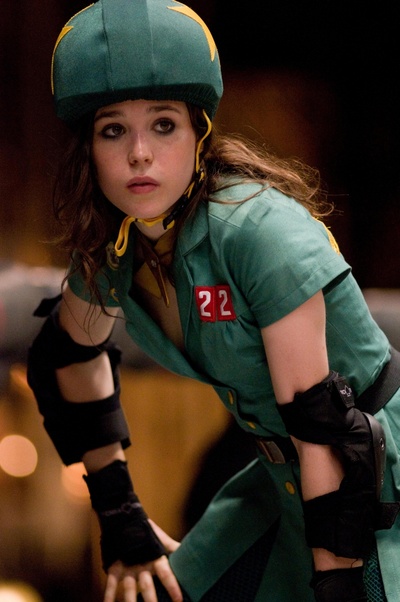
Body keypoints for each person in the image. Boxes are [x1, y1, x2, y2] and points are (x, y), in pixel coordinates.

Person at [27, 0, 400, 601]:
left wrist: (336, 582)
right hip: (282, 478)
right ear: (88, 149)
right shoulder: (114, 248)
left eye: (163, 125)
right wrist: (119, 512)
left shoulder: (259, 233)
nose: (139, 153)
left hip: (372, 479)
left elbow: (327, 429)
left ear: (199, 132)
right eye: (113, 129)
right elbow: (66, 357)